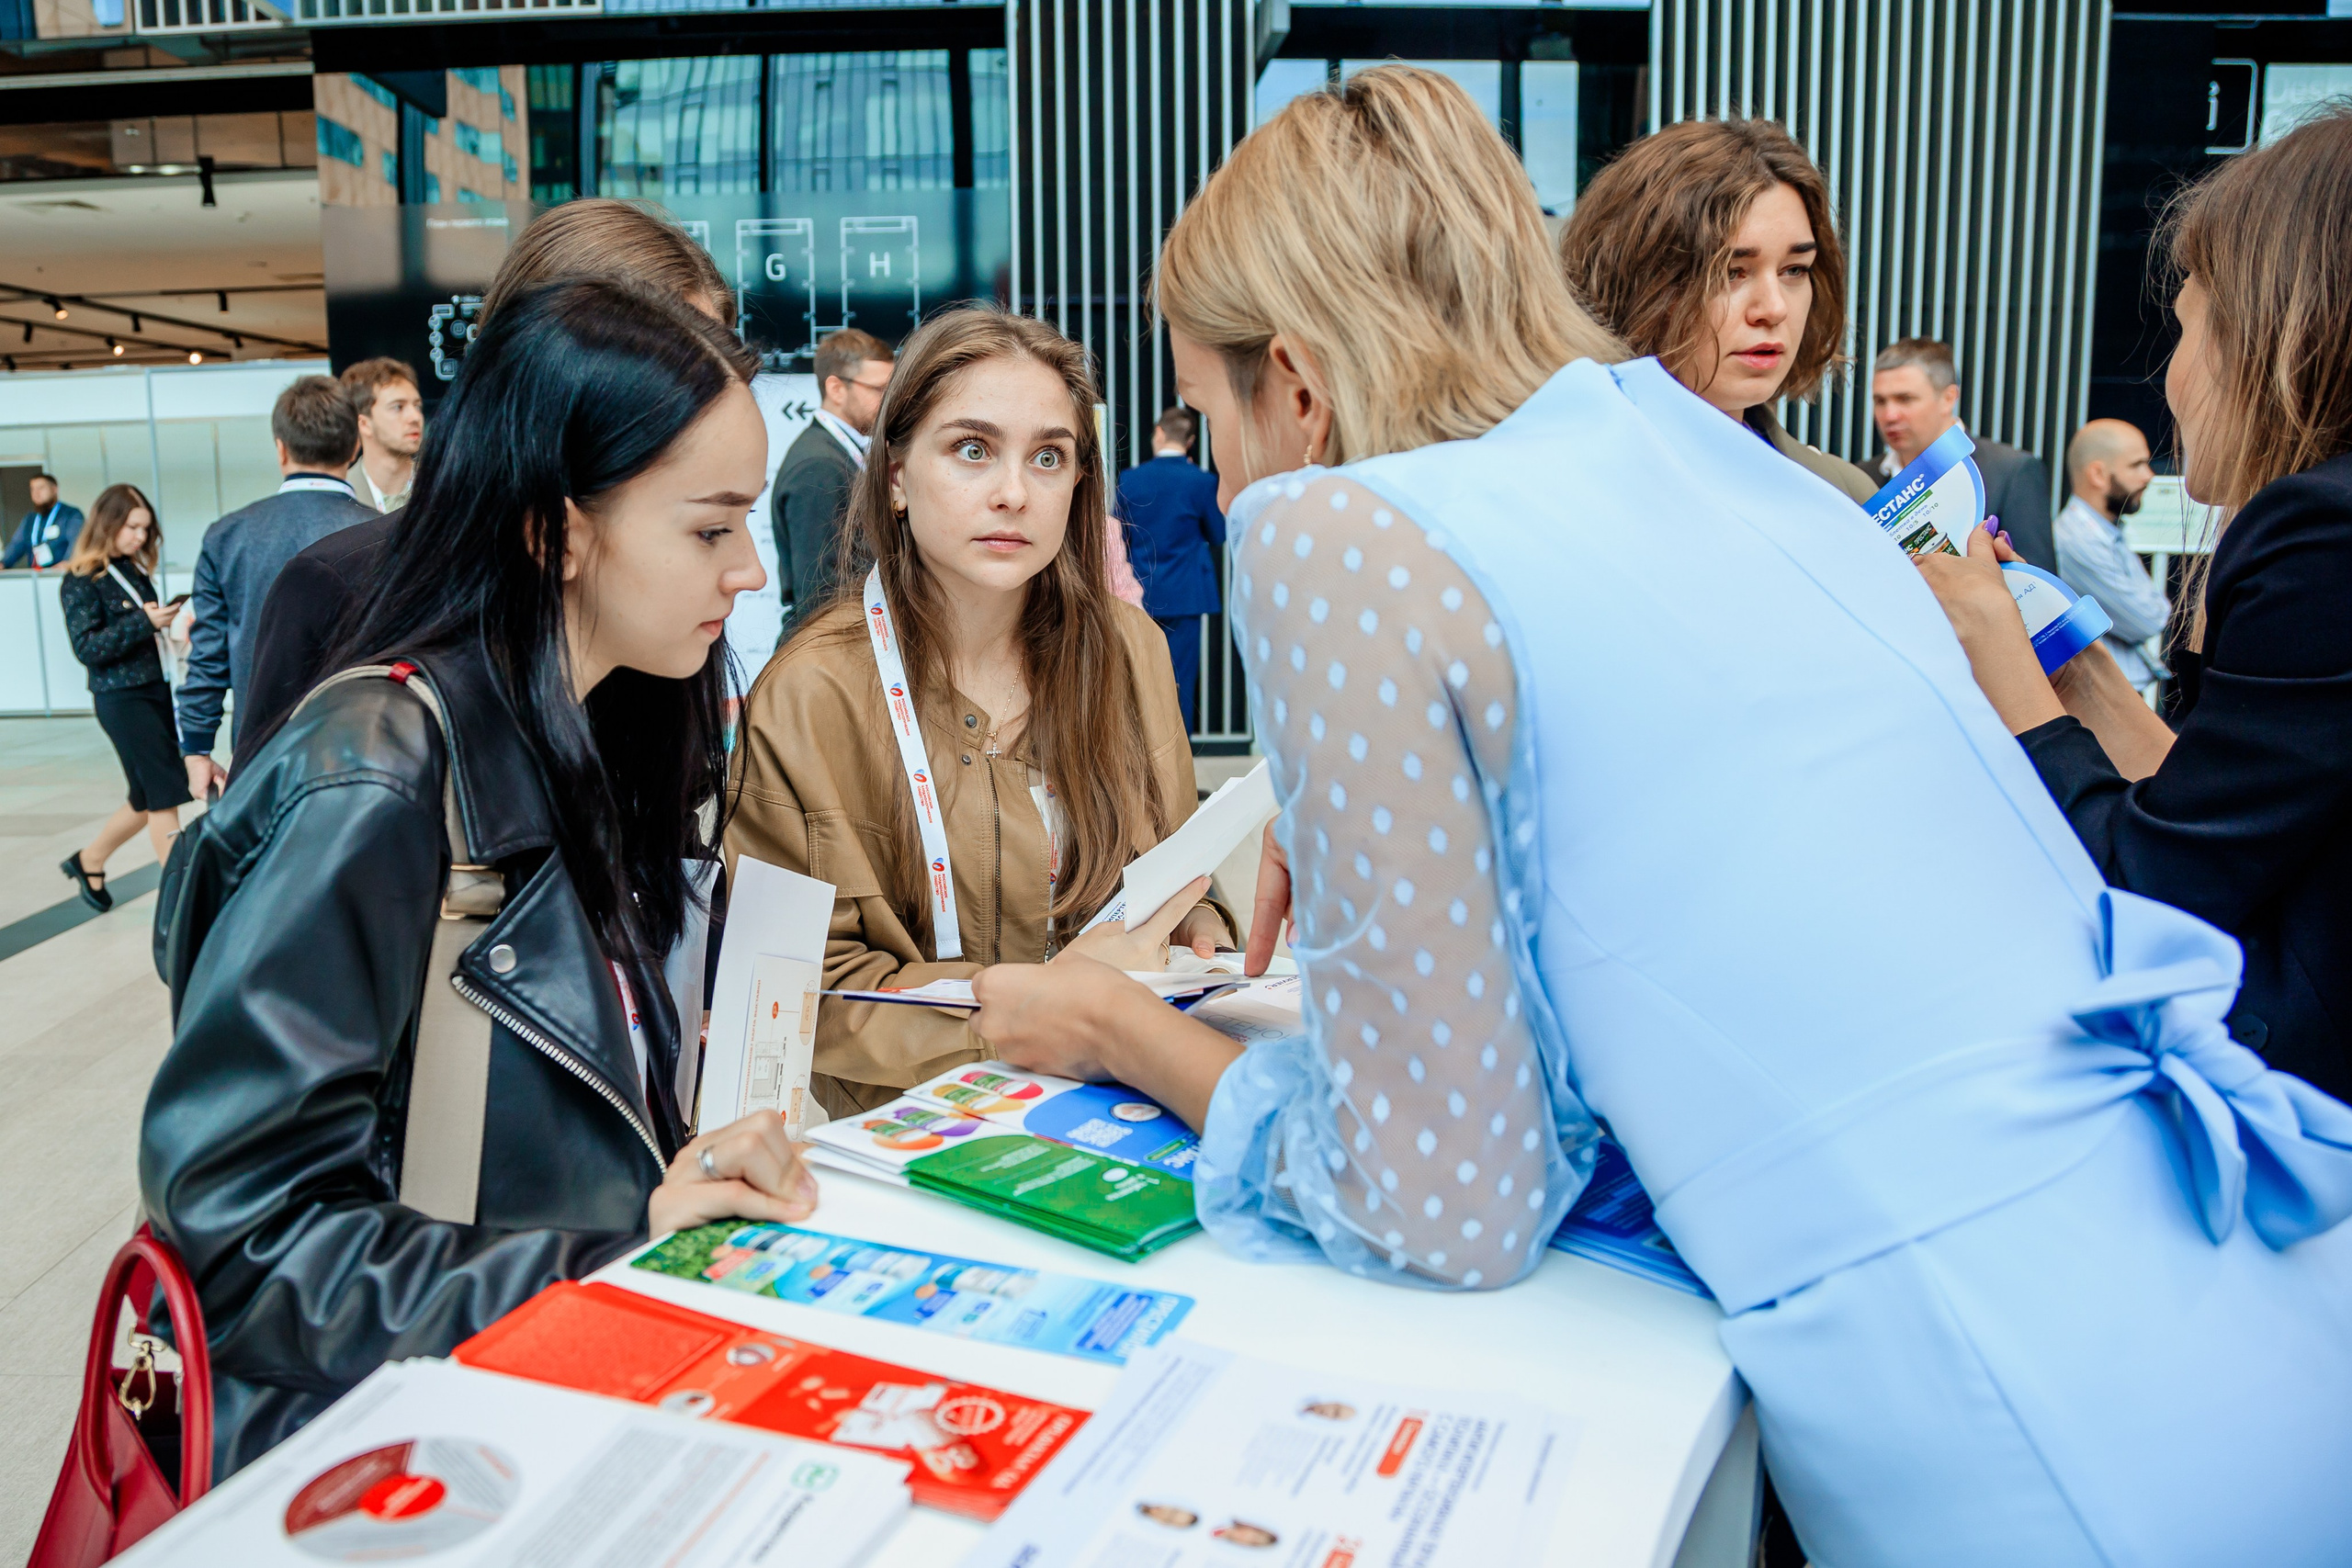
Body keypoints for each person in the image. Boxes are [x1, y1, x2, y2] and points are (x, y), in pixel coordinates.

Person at [965, 66, 2352, 1565]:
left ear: (1294, 382)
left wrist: (1112, 1026)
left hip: (2026, 1412)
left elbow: (1448, 1200)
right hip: (2249, 1297)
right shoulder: (1731, 474)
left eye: (1204, 409)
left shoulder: (1327, 529)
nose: (1217, 461)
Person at [141, 278, 820, 1480]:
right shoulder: (380, 773)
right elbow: (243, 1241)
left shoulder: (598, 732)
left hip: (535, 1402)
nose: (750, 574)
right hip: (391, 1461)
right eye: (711, 529)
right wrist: (610, 1253)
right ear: (558, 532)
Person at [1916, 105, 2352, 1103]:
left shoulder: (2318, 536)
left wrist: (2001, 658)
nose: (2170, 378)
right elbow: (2219, 823)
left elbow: (2158, 888)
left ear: (2274, 333)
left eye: (2188, 329)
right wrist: (2077, 677)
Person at [728, 306, 1228, 1116]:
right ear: (895, 476)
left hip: (1119, 1114)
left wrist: (1197, 920)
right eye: (972, 449)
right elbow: (797, 993)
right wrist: (1043, 1006)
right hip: (912, 1146)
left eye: (1048, 457)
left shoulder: (1129, 649)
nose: (1013, 493)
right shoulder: (809, 695)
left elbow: (1176, 862)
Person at [236, 199, 741, 761]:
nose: (697, 405)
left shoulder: (676, 587)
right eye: (663, 369)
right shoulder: (341, 586)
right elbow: (268, 830)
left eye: (712, 372)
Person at [1557, 118, 1877, 504]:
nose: (1773, 309)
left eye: (1795, 270)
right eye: (1731, 273)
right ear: (1637, 282)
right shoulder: (1560, 492)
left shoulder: (1844, 496)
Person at [175, 375, 372, 793]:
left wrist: (197, 747)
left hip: (260, 751)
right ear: (356, 446)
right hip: (367, 749)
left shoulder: (228, 535)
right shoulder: (389, 532)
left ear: (280, 448)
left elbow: (208, 654)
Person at [56, 483, 187, 910]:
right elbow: (88, 648)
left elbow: (138, 629)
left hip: (154, 688)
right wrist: (144, 623)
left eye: (145, 530)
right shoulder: (80, 579)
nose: (139, 537)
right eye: (132, 527)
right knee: (165, 792)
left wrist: (164, 621)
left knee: (144, 796)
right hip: (121, 698)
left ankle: (88, 860)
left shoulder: (131, 570)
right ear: (109, 523)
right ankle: (181, 897)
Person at [1871, 338, 2057, 571]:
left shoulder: (2011, 471)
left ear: (1948, 398)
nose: (1889, 415)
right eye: (1880, 401)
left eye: (1905, 399)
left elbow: (2041, 586)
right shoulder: (1863, 474)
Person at [772, 328, 894, 634]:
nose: (890, 402)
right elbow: (819, 593)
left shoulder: (837, 453)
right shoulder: (819, 465)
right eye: (879, 390)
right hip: (825, 650)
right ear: (837, 389)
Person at [1115, 405, 1227, 731]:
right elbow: (1218, 535)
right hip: (1186, 594)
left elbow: (1120, 534)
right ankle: (1180, 765)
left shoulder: (1131, 479)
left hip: (1138, 592)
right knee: (1181, 679)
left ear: (1159, 433)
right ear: (1190, 441)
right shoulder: (1202, 482)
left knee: (1137, 680)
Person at [2052, 418, 2170, 692]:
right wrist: (2157, 608)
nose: (2149, 476)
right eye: (2136, 465)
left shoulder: (2104, 531)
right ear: (2097, 474)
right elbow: (2150, 619)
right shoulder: (2077, 540)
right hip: (2103, 697)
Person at [341, 355, 424, 513]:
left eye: (417, 406)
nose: (415, 417)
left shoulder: (442, 484)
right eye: (398, 407)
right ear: (364, 424)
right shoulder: (341, 493)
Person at [3, 472, 84, 570]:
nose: (36, 493)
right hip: (38, 574)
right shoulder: (30, 518)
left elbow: (77, 542)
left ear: (54, 489)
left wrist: (68, 562)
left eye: (41, 488)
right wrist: (3, 563)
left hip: (62, 573)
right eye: (32, 489)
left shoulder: (71, 514)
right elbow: (16, 545)